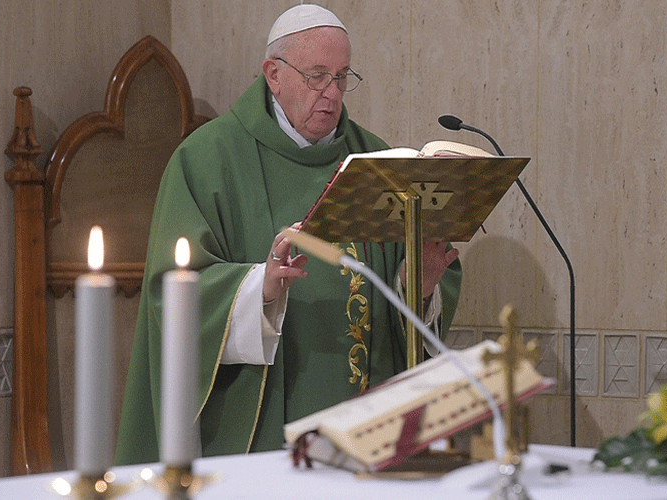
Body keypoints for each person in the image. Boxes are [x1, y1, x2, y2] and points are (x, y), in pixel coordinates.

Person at [115, 4, 462, 465]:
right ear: (273, 74)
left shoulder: (378, 160)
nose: (332, 94)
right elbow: (171, 295)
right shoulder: (206, 160)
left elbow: (408, 295)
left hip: (368, 428)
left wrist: (419, 284)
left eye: (341, 77)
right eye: (317, 76)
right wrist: (259, 287)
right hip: (258, 440)